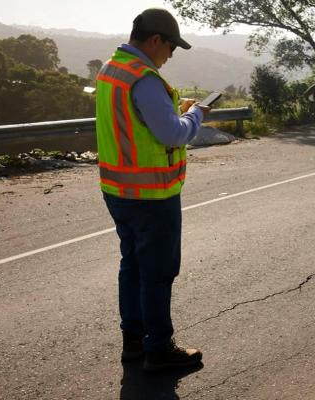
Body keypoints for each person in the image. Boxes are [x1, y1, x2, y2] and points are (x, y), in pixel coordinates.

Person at [96, 8, 208, 372]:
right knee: (158, 273)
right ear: (156, 40)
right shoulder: (144, 79)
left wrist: (175, 111)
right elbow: (172, 134)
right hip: (151, 196)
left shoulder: (111, 70)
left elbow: (136, 123)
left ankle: (134, 342)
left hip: (118, 190)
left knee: (132, 265)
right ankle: (158, 348)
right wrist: (195, 115)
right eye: (171, 47)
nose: (170, 55)